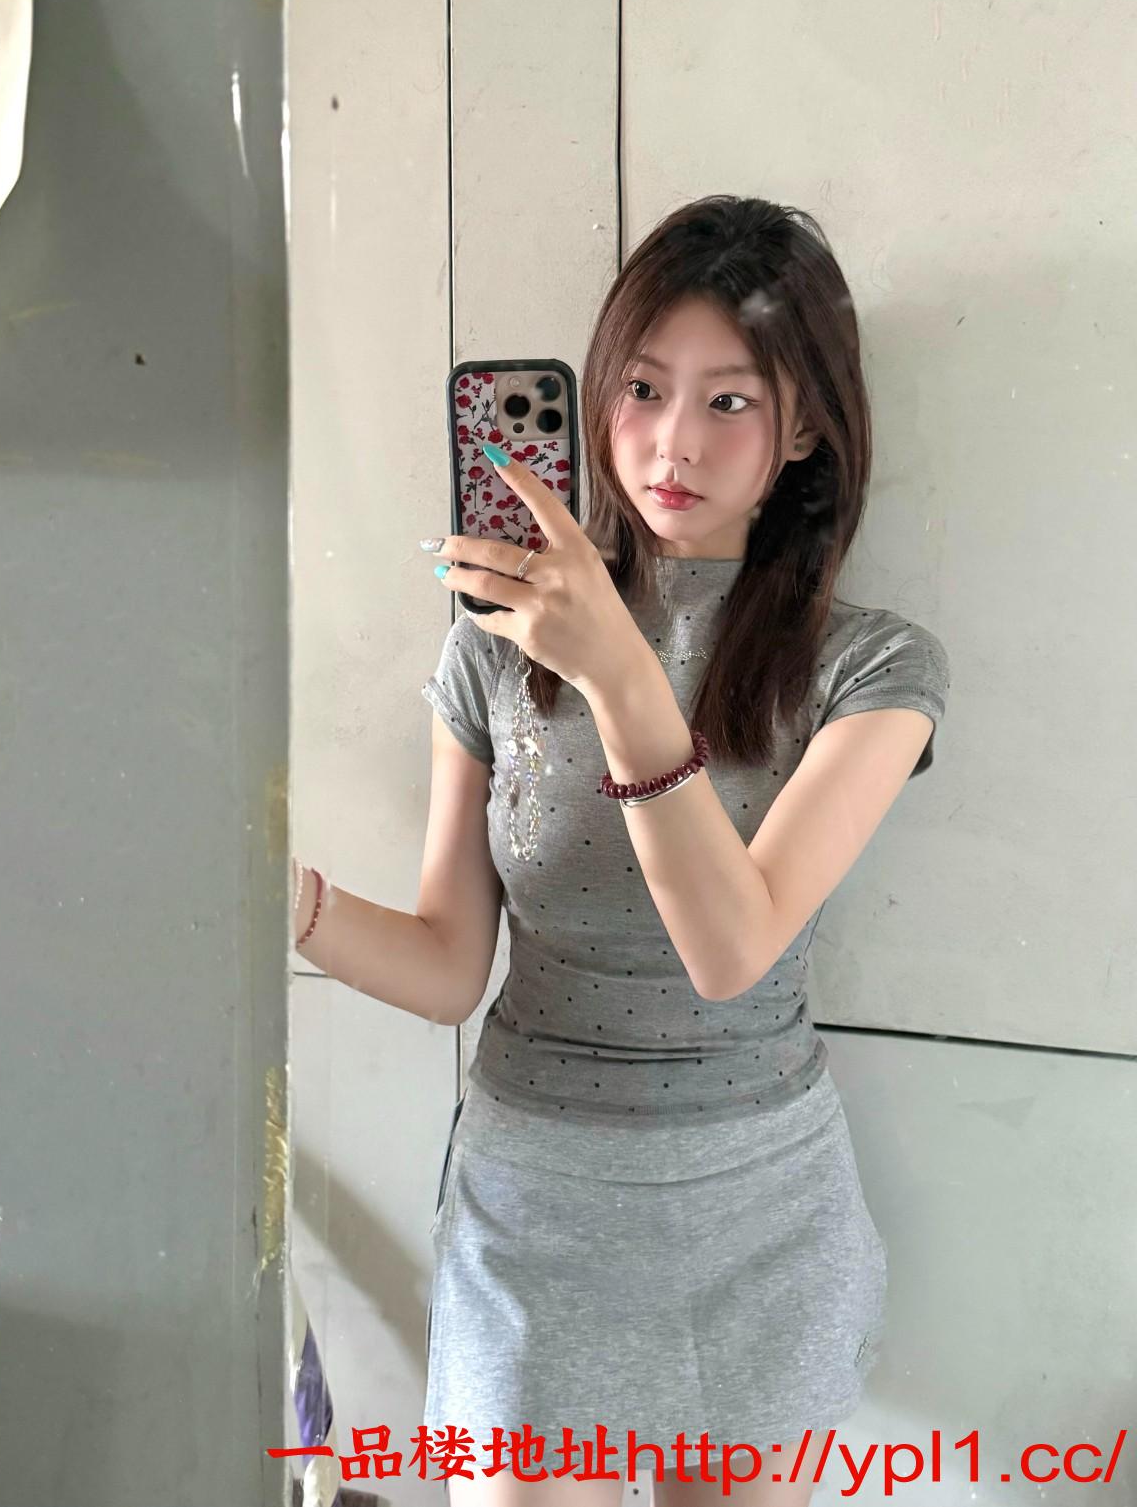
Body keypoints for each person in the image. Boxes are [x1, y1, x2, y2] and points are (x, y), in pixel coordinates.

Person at [292, 196, 950, 1507]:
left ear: (804, 429)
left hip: (757, 1213)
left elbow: (732, 948)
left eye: (728, 401)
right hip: (532, 1211)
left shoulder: (874, 669)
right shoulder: (493, 649)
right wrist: (289, 902)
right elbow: (447, 966)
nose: (669, 442)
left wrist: (619, 676)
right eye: (642, 389)